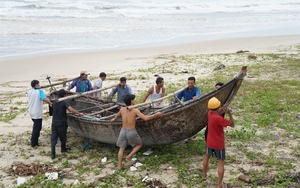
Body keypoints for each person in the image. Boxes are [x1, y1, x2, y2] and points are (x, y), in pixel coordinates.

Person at [110, 94, 163, 169]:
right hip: (131, 132)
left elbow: (117, 116)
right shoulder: (135, 110)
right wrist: (156, 115)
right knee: (139, 144)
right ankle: (129, 156)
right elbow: (145, 118)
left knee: (121, 148)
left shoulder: (122, 109)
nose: (135, 101)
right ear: (131, 101)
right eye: (134, 99)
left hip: (123, 130)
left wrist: (113, 119)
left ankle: (119, 166)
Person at [202, 97, 235, 188]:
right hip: (218, 143)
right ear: (218, 106)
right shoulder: (219, 119)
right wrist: (230, 114)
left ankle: (204, 174)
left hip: (209, 141)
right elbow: (232, 124)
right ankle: (219, 184)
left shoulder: (210, 113)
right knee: (220, 162)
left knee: (207, 156)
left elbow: (217, 111)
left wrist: (223, 109)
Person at [50, 89, 84, 159]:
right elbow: (71, 109)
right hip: (62, 123)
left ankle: (53, 154)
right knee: (63, 137)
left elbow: (51, 110)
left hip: (54, 122)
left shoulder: (54, 102)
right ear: (64, 95)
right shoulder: (64, 102)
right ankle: (63, 149)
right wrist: (79, 113)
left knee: (54, 138)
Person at [28, 80, 52, 147]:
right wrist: (50, 103)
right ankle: (34, 143)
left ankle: (34, 140)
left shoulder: (29, 91)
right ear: (36, 85)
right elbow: (44, 99)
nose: (39, 85)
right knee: (37, 128)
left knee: (36, 126)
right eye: (38, 84)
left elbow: (38, 96)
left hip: (31, 111)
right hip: (37, 112)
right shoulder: (40, 91)